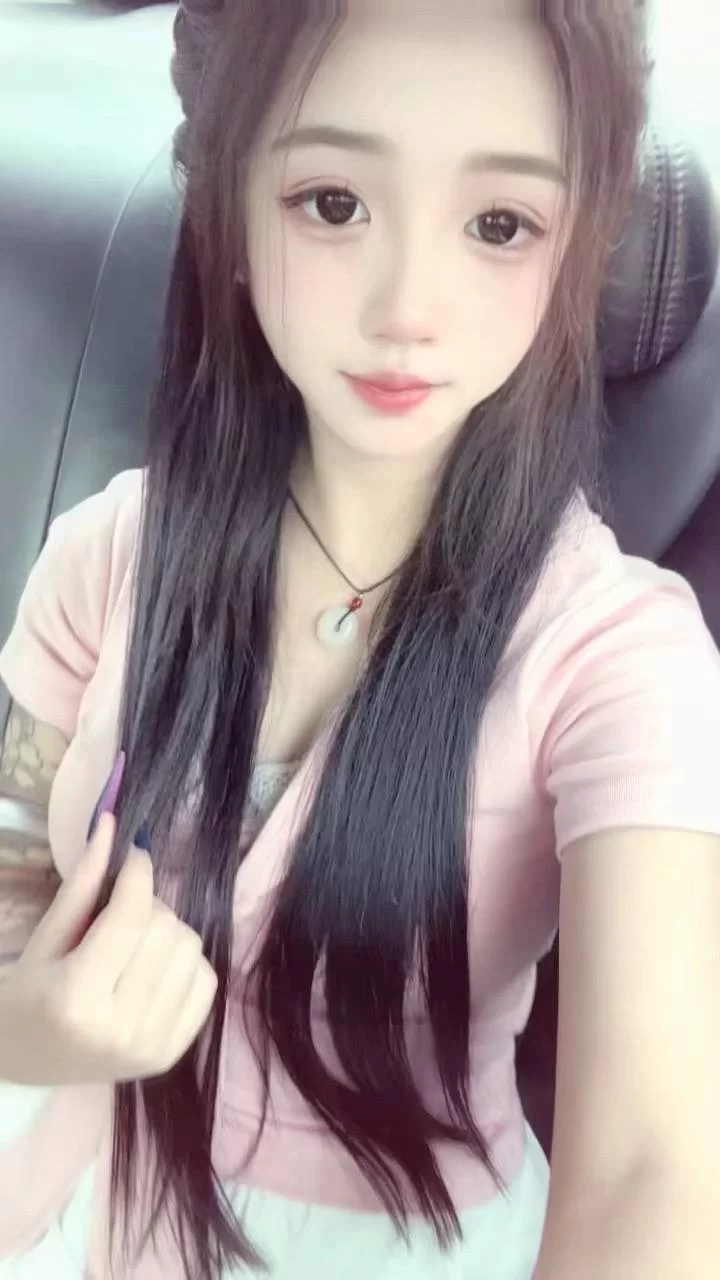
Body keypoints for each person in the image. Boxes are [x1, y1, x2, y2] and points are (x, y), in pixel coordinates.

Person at [1, 2, 720, 1278]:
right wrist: (25, 1023)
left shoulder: (618, 660)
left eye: (499, 223)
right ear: (232, 210)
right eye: (333, 203)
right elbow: (14, 861)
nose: (407, 310)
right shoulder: (108, 555)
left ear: (573, 243)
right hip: (71, 1190)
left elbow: (652, 1166)